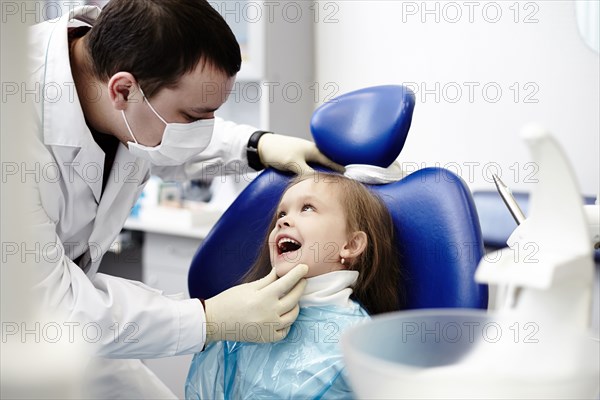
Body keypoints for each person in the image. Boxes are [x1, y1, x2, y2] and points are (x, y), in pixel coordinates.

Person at [26, 1, 341, 397]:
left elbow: (164, 135)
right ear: (122, 90)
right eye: (194, 118)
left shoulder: (116, 72)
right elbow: (50, 306)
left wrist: (257, 145)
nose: (202, 130)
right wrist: (208, 320)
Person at [186, 172, 405, 399]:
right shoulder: (242, 320)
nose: (282, 221)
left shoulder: (360, 344)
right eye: (282, 213)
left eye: (308, 208)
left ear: (350, 245)